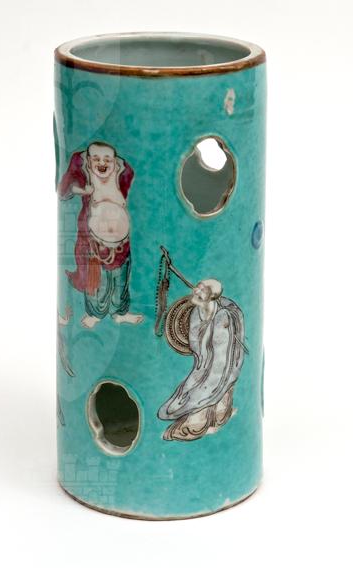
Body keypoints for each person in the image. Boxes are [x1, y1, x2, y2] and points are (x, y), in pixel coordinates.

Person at [58, 141, 143, 329]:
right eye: (96, 159)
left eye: (107, 160)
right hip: (94, 240)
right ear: (88, 162)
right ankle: (94, 313)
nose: (101, 163)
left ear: (114, 162)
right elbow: (63, 188)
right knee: (96, 278)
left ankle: (120, 312)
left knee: (120, 277)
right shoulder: (84, 173)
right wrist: (82, 190)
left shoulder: (122, 172)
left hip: (121, 242)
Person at [158, 279, 245, 441]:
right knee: (171, 408)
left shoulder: (223, 318)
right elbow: (197, 348)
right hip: (202, 367)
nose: (196, 291)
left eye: (203, 290)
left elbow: (221, 362)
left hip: (218, 371)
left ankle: (210, 415)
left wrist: (207, 385)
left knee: (199, 401)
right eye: (198, 287)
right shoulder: (196, 313)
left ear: (212, 297)